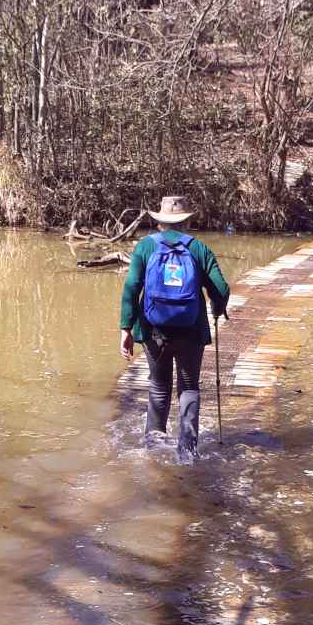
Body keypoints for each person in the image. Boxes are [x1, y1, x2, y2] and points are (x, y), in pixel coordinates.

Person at [120, 194, 230, 463]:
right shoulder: (199, 249)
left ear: (160, 222)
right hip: (190, 330)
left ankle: (152, 448)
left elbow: (132, 288)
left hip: (153, 330)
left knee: (159, 387)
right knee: (189, 386)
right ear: (187, 222)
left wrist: (125, 328)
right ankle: (187, 450)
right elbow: (222, 289)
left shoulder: (145, 247)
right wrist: (218, 308)